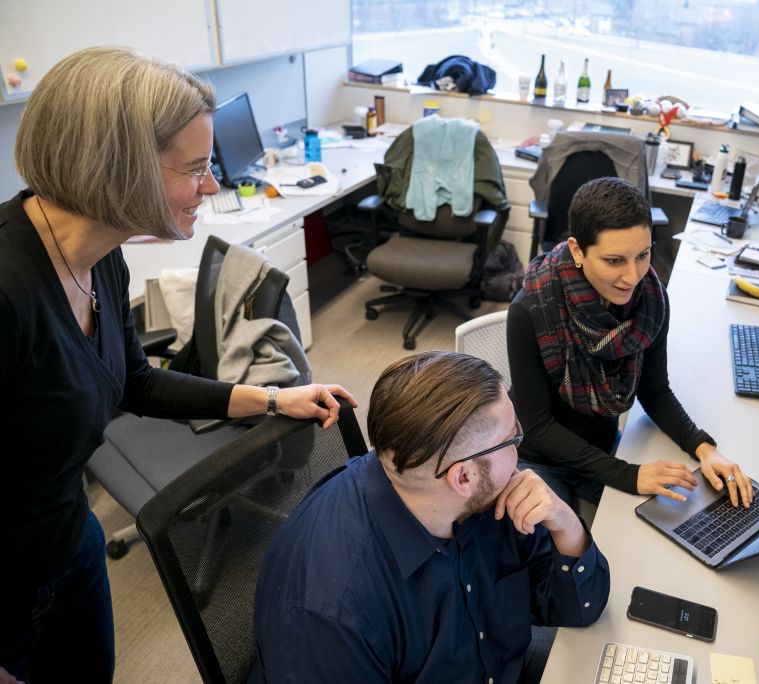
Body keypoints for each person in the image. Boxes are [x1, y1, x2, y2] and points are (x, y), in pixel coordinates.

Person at [0, 47, 355, 683]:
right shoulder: (7, 290)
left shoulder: (100, 256)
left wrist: (273, 400)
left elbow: (135, 382)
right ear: (118, 172)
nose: (213, 185)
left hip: (66, 543)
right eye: (195, 169)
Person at [250, 351, 610, 683]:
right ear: (463, 477)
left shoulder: (491, 499)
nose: (520, 449)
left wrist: (565, 523)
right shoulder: (332, 612)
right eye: (512, 439)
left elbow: (577, 610)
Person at [507, 177, 755, 512]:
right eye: (614, 261)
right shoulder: (531, 309)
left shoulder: (651, 301)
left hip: (604, 451)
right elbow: (536, 426)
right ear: (578, 251)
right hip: (539, 458)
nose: (633, 275)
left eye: (643, 254)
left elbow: (654, 391)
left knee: (677, 516)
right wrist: (627, 475)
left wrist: (704, 448)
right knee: (559, 545)